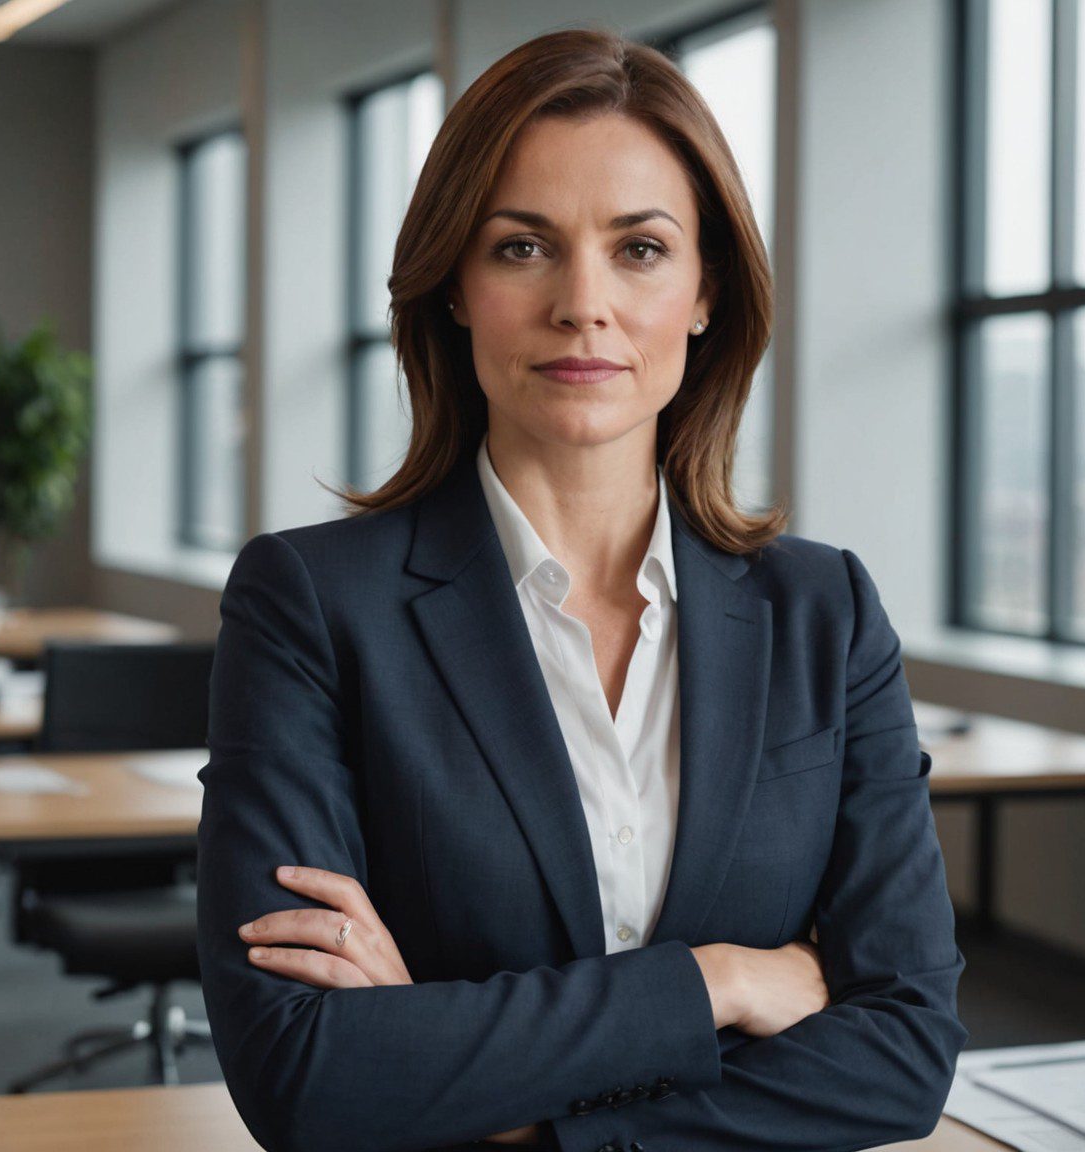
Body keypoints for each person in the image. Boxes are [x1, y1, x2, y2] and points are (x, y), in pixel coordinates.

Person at [195, 26, 966, 1152]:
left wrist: (515, 1121)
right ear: (454, 287)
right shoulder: (309, 604)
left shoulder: (824, 613)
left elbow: (904, 1055)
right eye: (522, 248)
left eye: (641, 249)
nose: (583, 303)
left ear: (707, 293)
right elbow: (303, 1073)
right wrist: (720, 983)